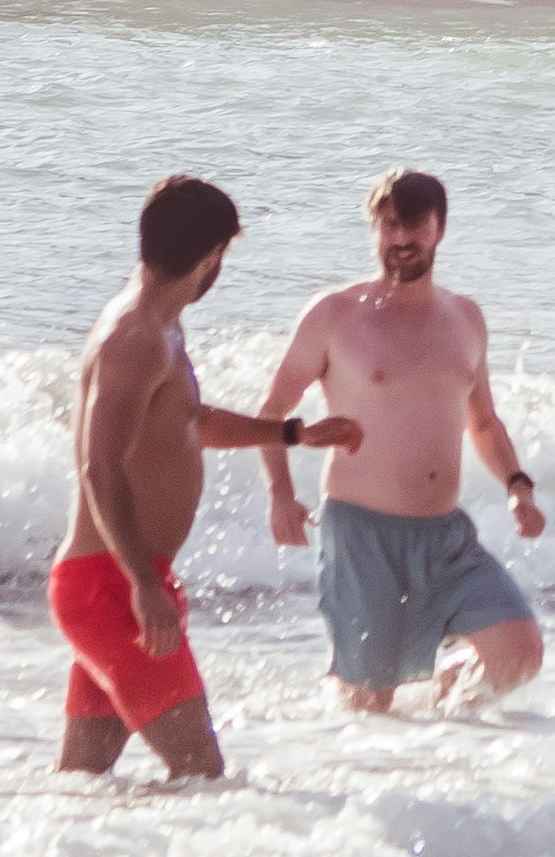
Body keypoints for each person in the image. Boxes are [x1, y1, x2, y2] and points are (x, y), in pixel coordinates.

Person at [59, 171, 355, 780]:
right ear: (212, 256)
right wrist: (143, 584)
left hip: (118, 582)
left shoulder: (159, 327)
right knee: (201, 775)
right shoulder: (135, 337)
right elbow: (99, 466)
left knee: (83, 781)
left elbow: (187, 421)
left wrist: (292, 433)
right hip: (111, 587)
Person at [258, 164, 549, 711]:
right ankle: (354, 742)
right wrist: (280, 493)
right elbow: (272, 413)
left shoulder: (465, 318)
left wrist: (517, 485)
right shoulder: (334, 314)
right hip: (361, 533)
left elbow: (483, 422)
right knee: (369, 705)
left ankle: (435, 721)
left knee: (519, 653)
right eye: (389, 224)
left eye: (414, 225)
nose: (400, 239)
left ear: (440, 229)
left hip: (444, 536)